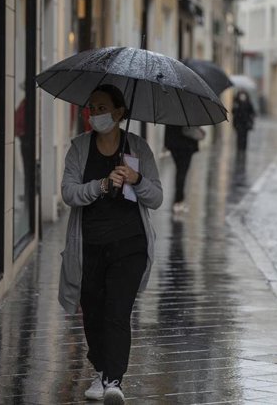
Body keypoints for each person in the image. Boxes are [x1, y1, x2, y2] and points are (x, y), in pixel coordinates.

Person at [60, 84, 163, 404]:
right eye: (92, 107)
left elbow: (157, 198)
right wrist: (102, 185)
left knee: (117, 311)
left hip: (129, 245)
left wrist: (137, 180)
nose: (95, 114)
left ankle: (114, 381)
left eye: (103, 108)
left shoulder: (138, 148)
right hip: (89, 244)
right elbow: (69, 193)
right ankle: (102, 370)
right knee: (92, 312)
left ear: (119, 113)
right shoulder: (79, 148)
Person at [164, 124, 202, 214]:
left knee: (180, 171)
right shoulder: (189, 112)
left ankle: (178, 199)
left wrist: (166, 143)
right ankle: (179, 201)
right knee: (182, 172)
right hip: (186, 144)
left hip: (173, 143)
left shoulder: (171, 111)